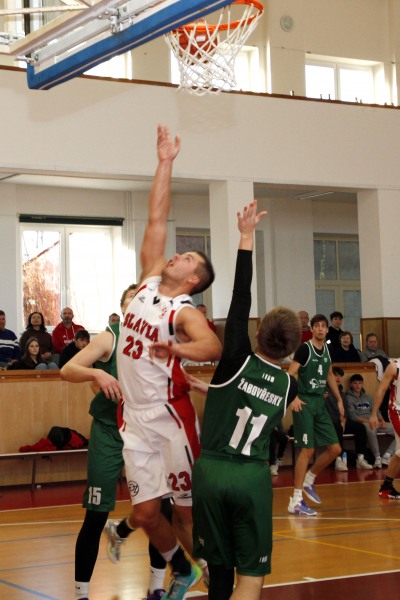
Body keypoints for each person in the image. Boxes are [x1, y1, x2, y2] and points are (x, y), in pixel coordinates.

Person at [113, 124, 222, 600]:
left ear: (194, 278)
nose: (176, 255)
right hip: (133, 417)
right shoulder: (149, 281)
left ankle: (215, 572)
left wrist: (177, 350)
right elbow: (156, 219)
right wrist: (164, 162)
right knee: (144, 515)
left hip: (168, 416)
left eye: (187, 258)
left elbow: (212, 348)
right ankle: (183, 569)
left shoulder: (184, 311)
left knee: (187, 512)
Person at [188, 201, 300, 600]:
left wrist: (246, 236)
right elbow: (254, 405)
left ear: (257, 332)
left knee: (218, 575)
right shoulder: (289, 387)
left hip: (210, 472)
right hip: (251, 476)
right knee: (250, 578)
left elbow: (240, 297)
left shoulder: (234, 358)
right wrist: (216, 391)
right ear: (292, 348)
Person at [61, 284, 171, 600]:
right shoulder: (112, 336)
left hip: (147, 435)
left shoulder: (160, 340)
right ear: (123, 309)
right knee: (96, 514)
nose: (138, 304)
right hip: (110, 432)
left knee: (160, 510)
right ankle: (81, 593)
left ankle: (156, 587)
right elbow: (68, 369)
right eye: (131, 299)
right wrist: (97, 375)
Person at [288, 313, 342, 516]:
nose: (320, 329)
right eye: (317, 325)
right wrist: (293, 398)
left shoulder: (327, 349)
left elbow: (328, 374)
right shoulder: (305, 349)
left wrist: (338, 399)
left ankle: (309, 479)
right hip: (304, 401)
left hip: (320, 402)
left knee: (335, 448)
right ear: (311, 329)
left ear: (327, 330)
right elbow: (290, 373)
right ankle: (296, 501)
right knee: (308, 450)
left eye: (323, 326)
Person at [324, 366, 372, 471]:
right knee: (337, 428)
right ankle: (338, 459)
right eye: (336, 375)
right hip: (328, 422)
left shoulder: (342, 393)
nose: (338, 378)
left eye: (340, 376)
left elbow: (345, 411)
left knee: (360, 427)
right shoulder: (324, 391)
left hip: (341, 421)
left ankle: (360, 459)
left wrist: (344, 421)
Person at [345, 373, 396, 468]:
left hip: (375, 421)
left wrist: (382, 420)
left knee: (398, 430)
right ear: (351, 384)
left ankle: (387, 455)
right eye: (355, 383)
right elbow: (353, 416)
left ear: (362, 384)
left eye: (360, 383)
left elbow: (376, 411)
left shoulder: (368, 397)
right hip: (363, 422)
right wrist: (369, 421)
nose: (358, 386)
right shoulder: (348, 398)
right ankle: (377, 458)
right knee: (371, 429)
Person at [369, 360, 400, 499]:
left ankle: (386, 487)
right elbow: (381, 390)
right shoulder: (395, 367)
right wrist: (374, 414)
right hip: (397, 411)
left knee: (399, 453)